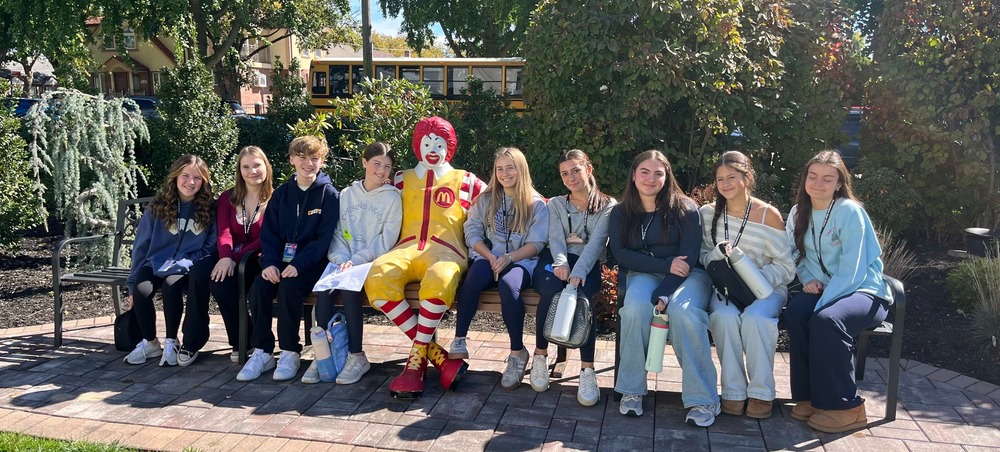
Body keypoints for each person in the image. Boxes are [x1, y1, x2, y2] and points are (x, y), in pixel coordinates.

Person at [364, 116, 485, 399]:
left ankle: (414, 365)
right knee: (378, 275)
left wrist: (546, 206)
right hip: (404, 249)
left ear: (449, 148)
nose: (433, 149)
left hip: (447, 251)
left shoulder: (465, 180)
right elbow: (366, 202)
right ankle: (436, 355)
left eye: (439, 143)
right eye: (427, 142)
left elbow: (508, 195)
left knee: (440, 277)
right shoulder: (399, 179)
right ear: (418, 146)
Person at [784, 150, 893, 433]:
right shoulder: (798, 213)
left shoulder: (849, 211)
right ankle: (813, 398)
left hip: (864, 292)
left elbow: (853, 269)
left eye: (827, 178)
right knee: (796, 313)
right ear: (805, 179)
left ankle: (847, 407)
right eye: (813, 176)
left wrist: (824, 302)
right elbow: (796, 255)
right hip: (825, 290)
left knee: (828, 320)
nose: (818, 183)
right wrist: (808, 279)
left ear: (838, 183)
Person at [698, 151, 795, 419]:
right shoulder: (709, 214)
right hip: (727, 289)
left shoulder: (768, 215)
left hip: (766, 288)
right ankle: (733, 392)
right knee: (724, 318)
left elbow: (787, 267)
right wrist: (717, 253)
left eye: (732, 177)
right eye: (720, 179)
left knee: (755, 319)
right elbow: (704, 258)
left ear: (747, 178)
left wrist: (757, 278)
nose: (725, 184)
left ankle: (761, 393)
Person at [237, 135, 340, 382]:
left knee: (289, 288)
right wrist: (270, 263)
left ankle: (290, 351)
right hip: (281, 261)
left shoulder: (329, 195)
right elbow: (270, 234)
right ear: (292, 159)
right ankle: (262, 351)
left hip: (311, 264)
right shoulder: (281, 194)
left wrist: (297, 265)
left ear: (322, 161)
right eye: (302, 157)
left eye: (315, 158)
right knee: (260, 287)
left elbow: (323, 240)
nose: (309, 163)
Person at [608, 149, 702, 418]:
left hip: (686, 276)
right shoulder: (621, 212)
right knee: (635, 309)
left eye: (658, 173)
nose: (651, 179)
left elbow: (689, 258)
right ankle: (631, 389)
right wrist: (662, 265)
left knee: (685, 314)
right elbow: (622, 253)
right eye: (644, 172)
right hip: (643, 273)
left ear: (667, 177)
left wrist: (664, 293)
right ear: (634, 176)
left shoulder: (685, 208)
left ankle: (701, 399)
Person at [302, 142, 402, 384]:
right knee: (324, 291)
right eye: (376, 163)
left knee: (348, 291)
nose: (382, 170)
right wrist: (341, 259)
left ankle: (357, 356)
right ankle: (324, 355)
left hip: (371, 262)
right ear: (364, 162)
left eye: (387, 167)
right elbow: (337, 232)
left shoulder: (393, 199)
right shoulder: (346, 194)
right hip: (343, 260)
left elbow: (386, 239)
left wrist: (356, 261)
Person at [452, 147, 548, 390]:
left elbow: (536, 244)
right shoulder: (485, 200)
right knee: (474, 277)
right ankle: (459, 339)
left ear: (521, 169)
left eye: (510, 167)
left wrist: (508, 258)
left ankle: (517, 353)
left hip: (520, 261)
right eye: (500, 169)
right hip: (489, 257)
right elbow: (471, 231)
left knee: (508, 285)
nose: (505, 174)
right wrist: (489, 255)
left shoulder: (536, 204)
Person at [529, 149, 616, 405]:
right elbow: (555, 239)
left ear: (588, 170)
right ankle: (540, 357)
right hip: (555, 262)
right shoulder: (556, 203)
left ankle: (587, 371)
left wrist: (578, 273)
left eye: (575, 171)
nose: (570, 178)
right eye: (564, 174)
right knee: (550, 291)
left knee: (583, 297)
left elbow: (597, 243)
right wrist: (561, 263)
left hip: (587, 264)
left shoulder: (608, 206)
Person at [178, 146, 273, 366]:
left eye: (257, 165)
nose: (252, 171)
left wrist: (235, 258)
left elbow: (268, 237)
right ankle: (192, 339)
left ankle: (242, 340)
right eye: (246, 166)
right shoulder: (227, 198)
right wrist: (225, 256)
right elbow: (224, 231)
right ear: (239, 170)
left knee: (221, 284)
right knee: (200, 271)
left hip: (257, 258)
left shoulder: (276, 199)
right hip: (227, 254)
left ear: (266, 167)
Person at [124, 155, 217, 366]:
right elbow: (141, 246)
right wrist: (131, 284)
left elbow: (210, 246)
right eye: (185, 176)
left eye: (198, 177)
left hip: (185, 266)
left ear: (204, 181)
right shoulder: (158, 206)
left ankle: (171, 340)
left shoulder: (209, 209)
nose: (191, 182)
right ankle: (151, 343)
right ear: (175, 177)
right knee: (141, 290)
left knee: (171, 286)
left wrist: (188, 261)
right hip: (155, 263)